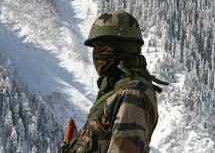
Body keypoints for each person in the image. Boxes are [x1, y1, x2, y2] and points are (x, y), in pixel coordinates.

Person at [60, 11, 165, 153]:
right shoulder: (115, 88)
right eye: (95, 48)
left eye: (102, 48)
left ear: (123, 48)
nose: (97, 54)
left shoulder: (133, 92)